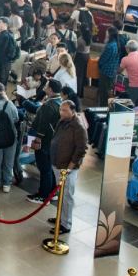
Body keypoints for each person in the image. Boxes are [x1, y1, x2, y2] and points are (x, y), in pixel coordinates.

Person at [48, 100, 87, 234]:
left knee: (67, 196)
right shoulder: (62, 121)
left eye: (64, 110)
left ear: (73, 111)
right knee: (61, 194)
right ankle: (60, 217)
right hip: (57, 163)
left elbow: (81, 149)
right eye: (60, 110)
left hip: (67, 167)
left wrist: (70, 167)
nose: (61, 112)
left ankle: (66, 224)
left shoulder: (78, 127)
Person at [26, 79, 62, 204]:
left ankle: (43, 195)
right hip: (53, 140)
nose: (44, 86)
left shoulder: (48, 105)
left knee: (44, 167)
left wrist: (37, 139)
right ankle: (52, 192)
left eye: (46, 85)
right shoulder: (59, 101)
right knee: (48, 167)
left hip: (45, 141)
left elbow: (43, 125)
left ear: (50, 89)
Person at [97, 26, 121, 105]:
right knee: (108, 91)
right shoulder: (116, 44)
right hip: (112, 71)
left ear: (110, 34)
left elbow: (103, 59)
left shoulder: (109, 46)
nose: (106, 34)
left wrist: (99, 63)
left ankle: (103, 107)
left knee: (103, 93)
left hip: (106, 72)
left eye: (107, 33)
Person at [119, 40, 138, 107]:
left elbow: (119, 71)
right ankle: (137, 113)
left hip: (133, 86)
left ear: (127, 48)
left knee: (130, 105)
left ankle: (131, 113)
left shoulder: (125, 59)